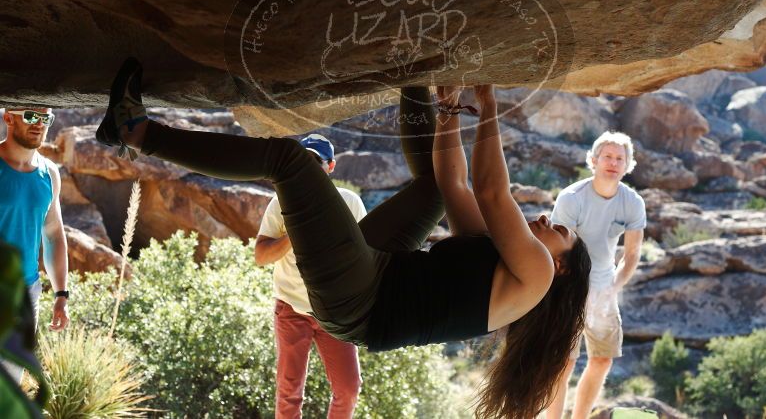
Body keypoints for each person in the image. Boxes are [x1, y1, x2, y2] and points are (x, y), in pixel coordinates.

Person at [96, 58, 591, 418]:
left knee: (289, 162)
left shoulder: (538, 276)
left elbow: (488, 187)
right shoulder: (506, 262)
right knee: (432, 189)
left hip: (361, 302)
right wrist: (447, 107)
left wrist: (486, 104)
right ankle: (414, 72)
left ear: (563, 266)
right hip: (380, 270)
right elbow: (452, 182)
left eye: (561, 231)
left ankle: (136, 132)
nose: (548, 219)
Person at [255, 133, 366, 419]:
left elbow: (368, 255)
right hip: (292, 309)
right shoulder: (280, 203)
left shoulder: (350, 203)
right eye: (304, 161)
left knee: (349, 388)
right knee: (289, 391)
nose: (308, 168)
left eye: (316, 162)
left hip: (336, 313)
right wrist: (294, 232)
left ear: (330, 167)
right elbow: (261, 257)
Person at [544, 131, 646, 419]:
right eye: (607, 157)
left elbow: (632, 254)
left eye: (619, 158)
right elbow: (556, 252)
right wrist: (569, 294)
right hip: (567, 288)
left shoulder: (633, 202)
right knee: (563, 362)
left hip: (604, 289)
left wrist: (613, 289)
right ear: (594, 160)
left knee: (602, 359)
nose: (613, 163)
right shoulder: (572, 198)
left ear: (628, 165)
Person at [0, 107, 70, 384]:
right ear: (8, 118)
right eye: (30, 116)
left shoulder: (49, 173)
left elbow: (53, 232)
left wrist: (61, 294)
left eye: (45, 118)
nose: (39, 124)